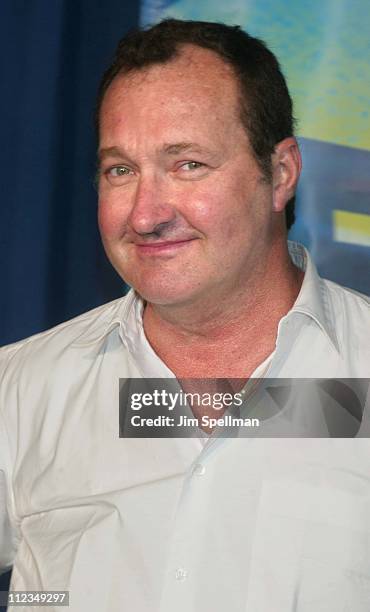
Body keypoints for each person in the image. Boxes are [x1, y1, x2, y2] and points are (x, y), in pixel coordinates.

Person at [1, 18, 369, 612]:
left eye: (188, 164)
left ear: (280, 173)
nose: (145, 215)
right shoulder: (20, 391)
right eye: (121, 170)